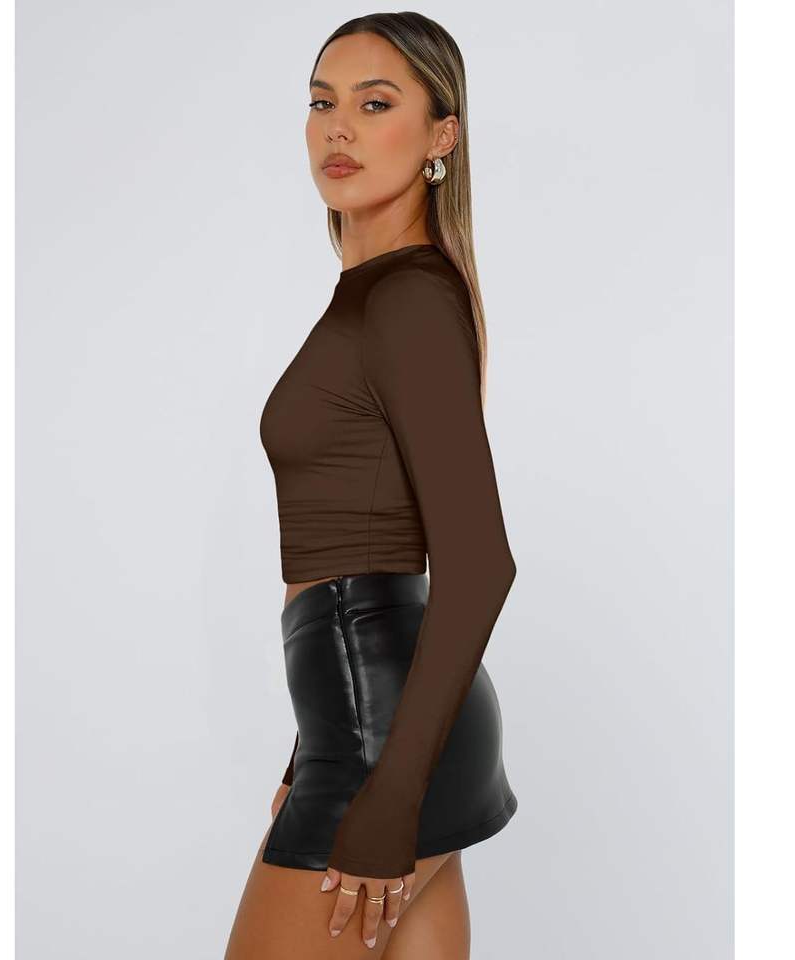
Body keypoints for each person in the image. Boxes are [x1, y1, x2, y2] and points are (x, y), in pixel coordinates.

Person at [226, 13, 518, 958]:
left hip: (384, 742)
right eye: (322, 102)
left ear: (443, 135)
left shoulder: (406, 300)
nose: (338, 128)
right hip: (377, 727)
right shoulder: (381, 293)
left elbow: (479, 562)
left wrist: (389, 792)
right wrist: (313, 745)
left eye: (376, 103)